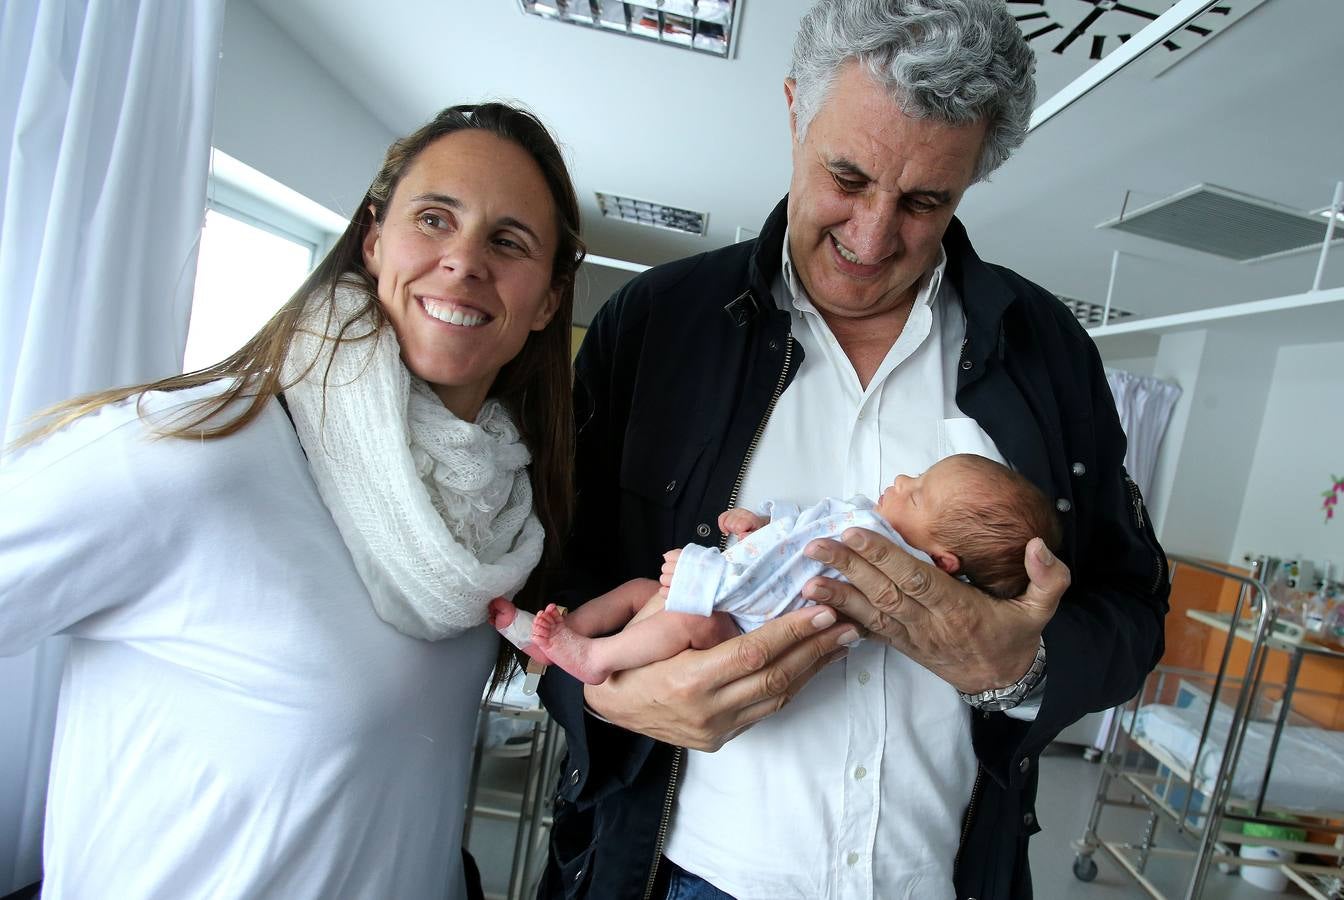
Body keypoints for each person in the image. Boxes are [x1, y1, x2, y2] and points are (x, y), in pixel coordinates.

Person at [536, 1, 1171, 897]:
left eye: (925, 202)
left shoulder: (1046, 351)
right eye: (846, 175)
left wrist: (1017, 665)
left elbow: (1134, 613)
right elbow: (555, 573)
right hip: (683, 875)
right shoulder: (656, 326)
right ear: (796, 108)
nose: (873, 240)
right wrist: (605, 696)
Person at [0, 103, 583, 900]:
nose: (463, 261)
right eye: (435, 218)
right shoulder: (191, 453)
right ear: (374, 242)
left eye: (508, 241)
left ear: (548, 302)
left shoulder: (498, 514)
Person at [493, 454, 1060, 684]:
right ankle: (562, 637)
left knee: (683, 616)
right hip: (745, 602)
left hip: (738, 624)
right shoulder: (873, 530)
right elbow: (794, 550)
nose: (903, 482)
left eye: (916, 496)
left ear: (941, 562)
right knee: (640, 590)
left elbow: (793, 574)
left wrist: (702, 576)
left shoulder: (882, 556)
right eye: (918, 475)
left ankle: (593, 658)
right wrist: (762, 526)